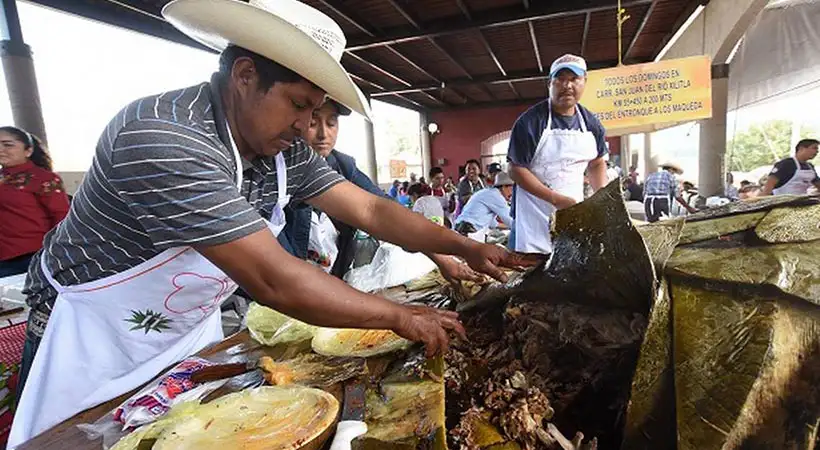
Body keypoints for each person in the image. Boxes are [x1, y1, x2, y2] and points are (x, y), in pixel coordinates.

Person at [10, 1, 533, 445]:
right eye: (299, 104)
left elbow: (370, 209)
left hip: (185, 336)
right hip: (88, 340)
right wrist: (400, 317)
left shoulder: (280, 148)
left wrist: (461, 246)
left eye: (317, 110)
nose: (307, 125)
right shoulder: (167, 138)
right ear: (244, 76)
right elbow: (272, 278)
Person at [507, 54, 608, 254]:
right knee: (530, 274)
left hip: (573, 210)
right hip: (534, 213)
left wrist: (602, 196)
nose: (567, 85)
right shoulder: (530, 121)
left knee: (568, 265)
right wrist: (555, 199)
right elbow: (516, 169)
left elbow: (597, 162)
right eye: (560, 79)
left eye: (573, 79)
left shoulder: (591, 123)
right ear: (549, 83)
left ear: (584, 82)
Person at [281, 98, 387, 278]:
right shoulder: (279, 173)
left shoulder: (343, 166)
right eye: (313, 123)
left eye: (331, 123)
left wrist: (431, 244)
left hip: (333, 277)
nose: (323, 134)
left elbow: (380, 206)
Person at [0, 127, 69, 277]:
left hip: (32, 257)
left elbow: (61, 216)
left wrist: (56, 253)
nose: (1, 149)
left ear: (28, 151)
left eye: (8, 145)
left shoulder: (44, 179)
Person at [454, 172, 514, 242]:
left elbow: (492, 223)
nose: (512, 193)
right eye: (512, 188)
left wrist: (507, 227)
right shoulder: (496, 196)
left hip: (462, 229)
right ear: (504, 187)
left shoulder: (488, 192)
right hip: (468, 231)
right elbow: (510, 220)